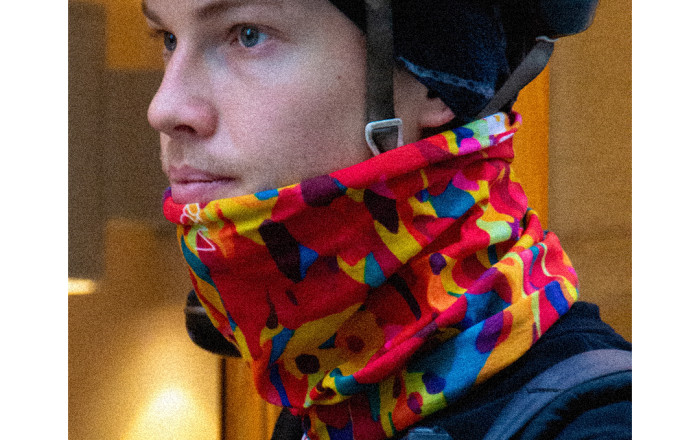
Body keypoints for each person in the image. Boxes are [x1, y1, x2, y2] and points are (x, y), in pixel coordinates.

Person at [143, 0, 631, 439]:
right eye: (168, 38)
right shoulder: (329, 398)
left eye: (248, 34)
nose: (163, 109)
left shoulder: (602, 425)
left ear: (433, 80)